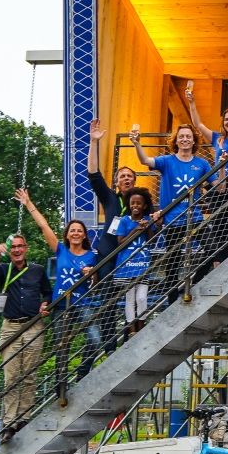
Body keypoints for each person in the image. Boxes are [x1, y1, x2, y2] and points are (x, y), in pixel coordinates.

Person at [15, 188, 98, 390]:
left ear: (84, 235)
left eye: (79, 230)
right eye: (72, 230)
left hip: (82, 303)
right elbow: (44, 226)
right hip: (60, 304)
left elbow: (96, 281)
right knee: (61, 345)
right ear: (67, 235)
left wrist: (91, 273)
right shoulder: (61, 250)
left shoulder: (92, 255)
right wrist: (28, 203)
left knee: (95, 339)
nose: (76, 233)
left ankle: (82, 372)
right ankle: (60, 384)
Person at [131, 123, 212, 304]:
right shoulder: (167, 161)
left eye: (188, 136)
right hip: (172, 220)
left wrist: (221, 166)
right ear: (176, 141)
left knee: (213, 249)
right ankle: (171, 303)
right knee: (173, 264)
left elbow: (219, 187)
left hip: (194, 217)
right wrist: (137, 143)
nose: (185, 139)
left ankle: (192, 284)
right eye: (181, 136)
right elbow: (145, 161)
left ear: (194, 141)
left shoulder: (202, 164)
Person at [0, 233, 51, 443]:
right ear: (10, 250)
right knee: (11, 377)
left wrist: (45, 304)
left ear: (26, 248)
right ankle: (9, 423)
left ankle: (24, 419)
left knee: (30, 375)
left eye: (20, 246)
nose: (17, 250)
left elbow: (47, 292)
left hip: (33, 325)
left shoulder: (37, 270)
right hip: (10, 327)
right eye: (13, 247)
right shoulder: (4, 269)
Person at [87, 118, 136, 351]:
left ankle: (129, 341)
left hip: (131, 256)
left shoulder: (141, 203)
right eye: (122, 176)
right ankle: (109, 346)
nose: (126, 178)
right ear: (116, 182)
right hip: (108, 254)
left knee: (131, 300)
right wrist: (93, 142)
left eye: (130, 176)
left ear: (134, 182)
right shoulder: (110, 198)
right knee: (108, 300)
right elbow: (93, 174)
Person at [187, 89, 228, 263]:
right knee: (218, 223)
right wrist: (191, 102)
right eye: (226, 119)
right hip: (218, 185)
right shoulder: (217, 139)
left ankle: (224, 261)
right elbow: (198, 124)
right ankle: (215, 261)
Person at [109, 187, 156, 335]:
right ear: (129, 205)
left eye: (138, 203)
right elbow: (120, 242)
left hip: (143, 264)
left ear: (145, 206)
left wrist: (147, 227)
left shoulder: (148, 220)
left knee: (141, 298)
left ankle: (141, 327)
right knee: (129, 299)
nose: (135, 206)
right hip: (126, 265)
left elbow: (152, 242)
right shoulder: (124, 221)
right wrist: (136, 229)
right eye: (132, 203)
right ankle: (132, 330)